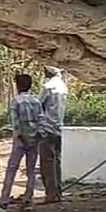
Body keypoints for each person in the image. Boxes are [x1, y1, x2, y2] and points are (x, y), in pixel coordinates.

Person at [1, 73, 43, 211]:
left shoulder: (16, 101)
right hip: (34, 138)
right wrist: (37, 135)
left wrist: (20, 136)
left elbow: (16, 123)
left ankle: (5, 199)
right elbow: (41, 119)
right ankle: (28, 198)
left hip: (20, 140)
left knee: (12, 168)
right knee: (31, 170)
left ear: (18, 86)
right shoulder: (36, 101)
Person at [38, 65, 68, 204]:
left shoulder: (48, 86)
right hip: (58, 128)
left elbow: (39, 106)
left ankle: (50, 194)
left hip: (47, 129)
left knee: (47, 163)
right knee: (57, 162)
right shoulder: (63, 87)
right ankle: (58, 192)